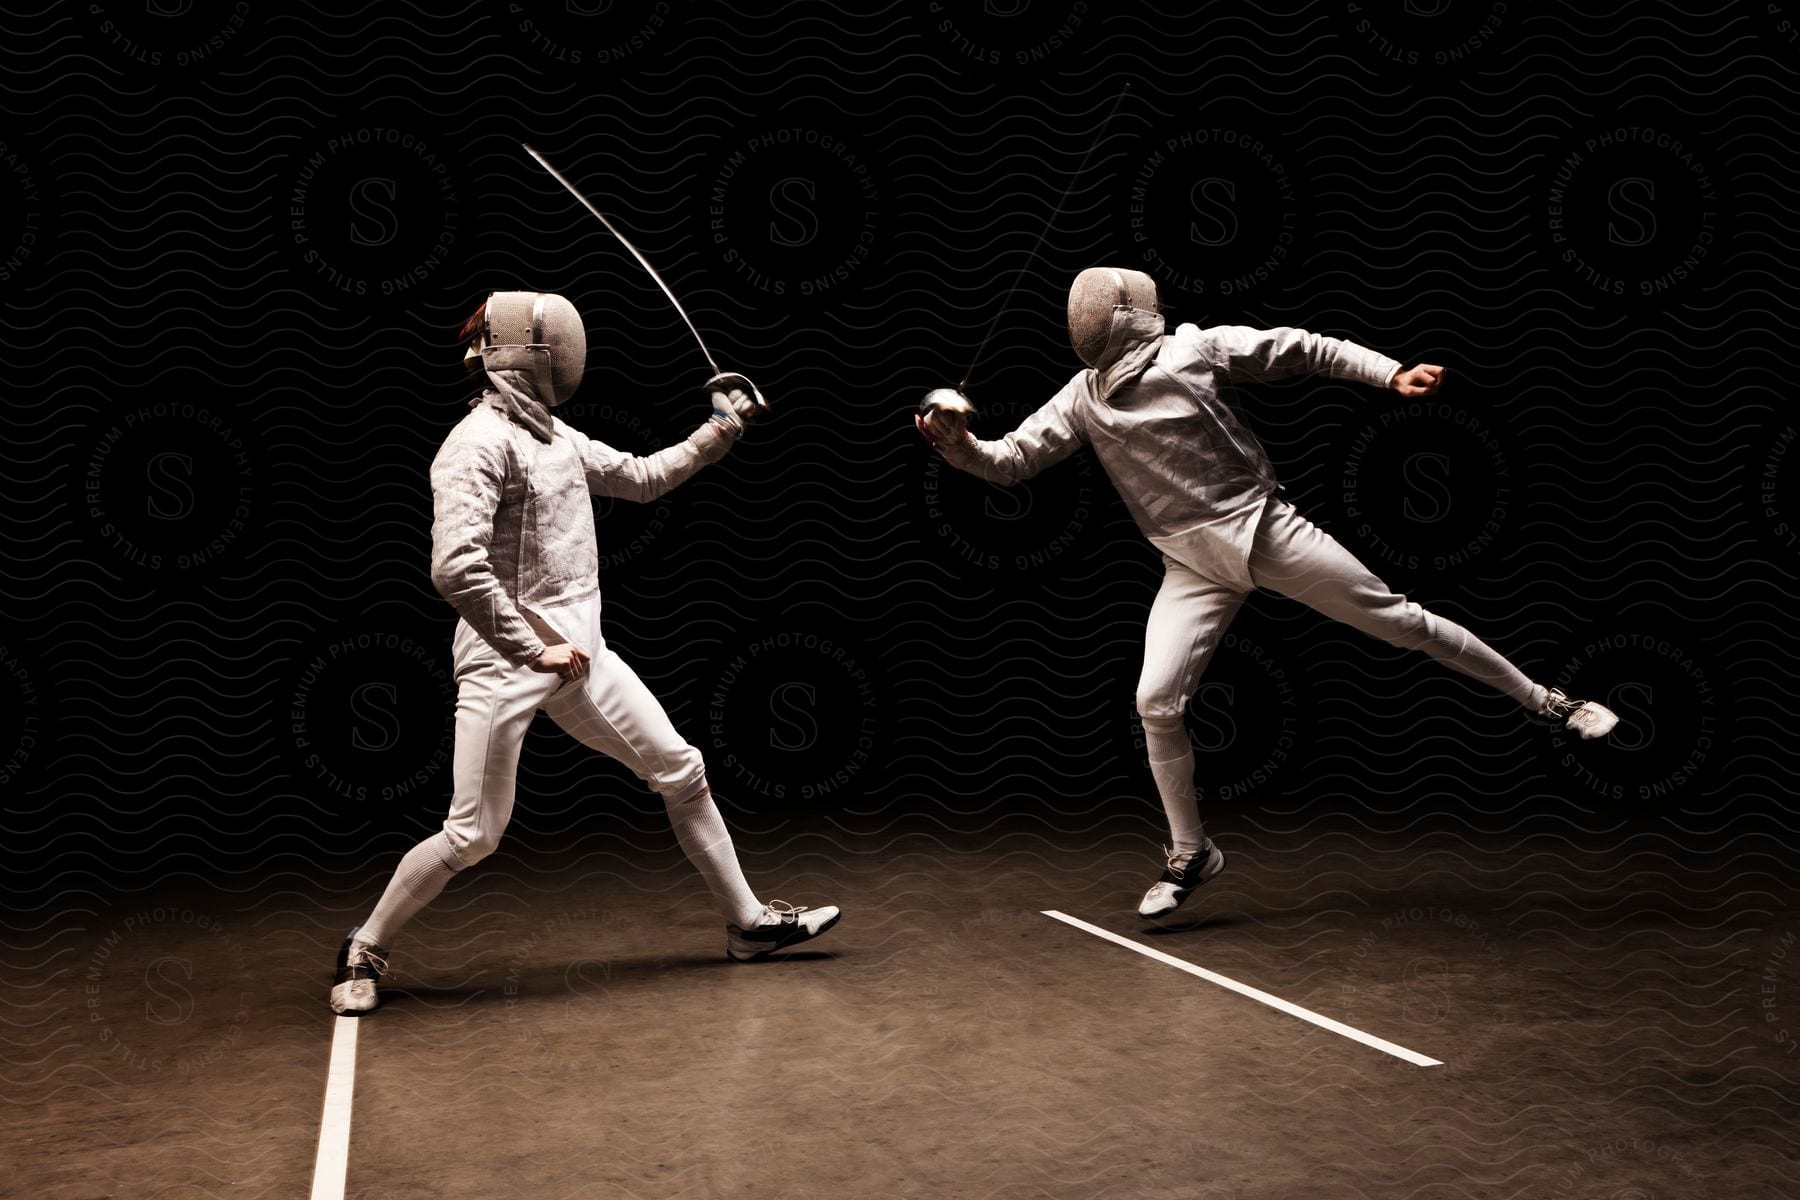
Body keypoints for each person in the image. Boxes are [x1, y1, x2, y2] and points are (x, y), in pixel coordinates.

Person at [916, 267, 1618, 921]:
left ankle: (1550, 703)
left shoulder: (1198, 349)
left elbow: (1302, 349)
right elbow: (1008, 461)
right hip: (1190, 565)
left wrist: (1389, 373)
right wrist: (956, 443)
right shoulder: (1082, 398)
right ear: (1131, 317)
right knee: (1156, 702)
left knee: (1403, 622)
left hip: (1266, 532)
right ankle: (1193, 853)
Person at [331, 291, 839, 1015]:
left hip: (582, 656)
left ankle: (749, 925)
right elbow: (455, 567)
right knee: (474, 831)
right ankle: (366, 946)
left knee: (681, 768)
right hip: (506, 661)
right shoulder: (474, 445)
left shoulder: (557, 438)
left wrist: (722, 425)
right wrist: (531, 646)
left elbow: (641, 477)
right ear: (523, 356)